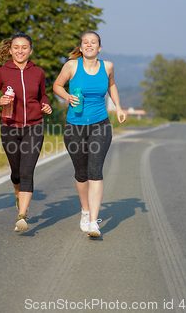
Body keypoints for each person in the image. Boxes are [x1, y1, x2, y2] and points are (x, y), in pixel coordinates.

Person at [53, 31, 126, 238]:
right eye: (85, 42)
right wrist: (67, 97)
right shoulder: (71, 66)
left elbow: (111, 85)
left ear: (99, 48)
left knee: (95, 171)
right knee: (81, 173)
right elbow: (57, 85)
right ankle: (85, 211)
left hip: (100, 125)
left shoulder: (108, 66)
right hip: (74, 126)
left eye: (93, 42)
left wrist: (119, 107)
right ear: (81, 47)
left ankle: (94, 222)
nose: (89, 45)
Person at [0, 33, 52, 233]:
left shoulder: (38, 72)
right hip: (9, 128)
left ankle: (22, 215)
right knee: (16, 173)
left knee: (27, 171)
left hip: (34, 126)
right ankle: (18, 192)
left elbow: (43, 95)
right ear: (11, 50)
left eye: (24, 47)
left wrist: (45, 105)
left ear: (30, 50)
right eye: (16, 47)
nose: (20, 51)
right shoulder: (1, 72)